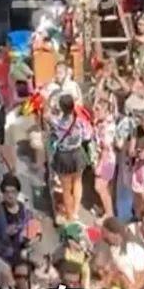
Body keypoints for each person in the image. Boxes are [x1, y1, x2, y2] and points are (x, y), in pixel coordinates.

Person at [48, 94, 92, 223]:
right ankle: (76, 211)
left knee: (66, 189)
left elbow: (48, 121)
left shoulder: (57, 123)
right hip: (77, 153)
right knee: (78, 182)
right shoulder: (80, 122)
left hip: (64, 156)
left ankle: (70, 215)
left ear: (61, 107)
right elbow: (87, 136)